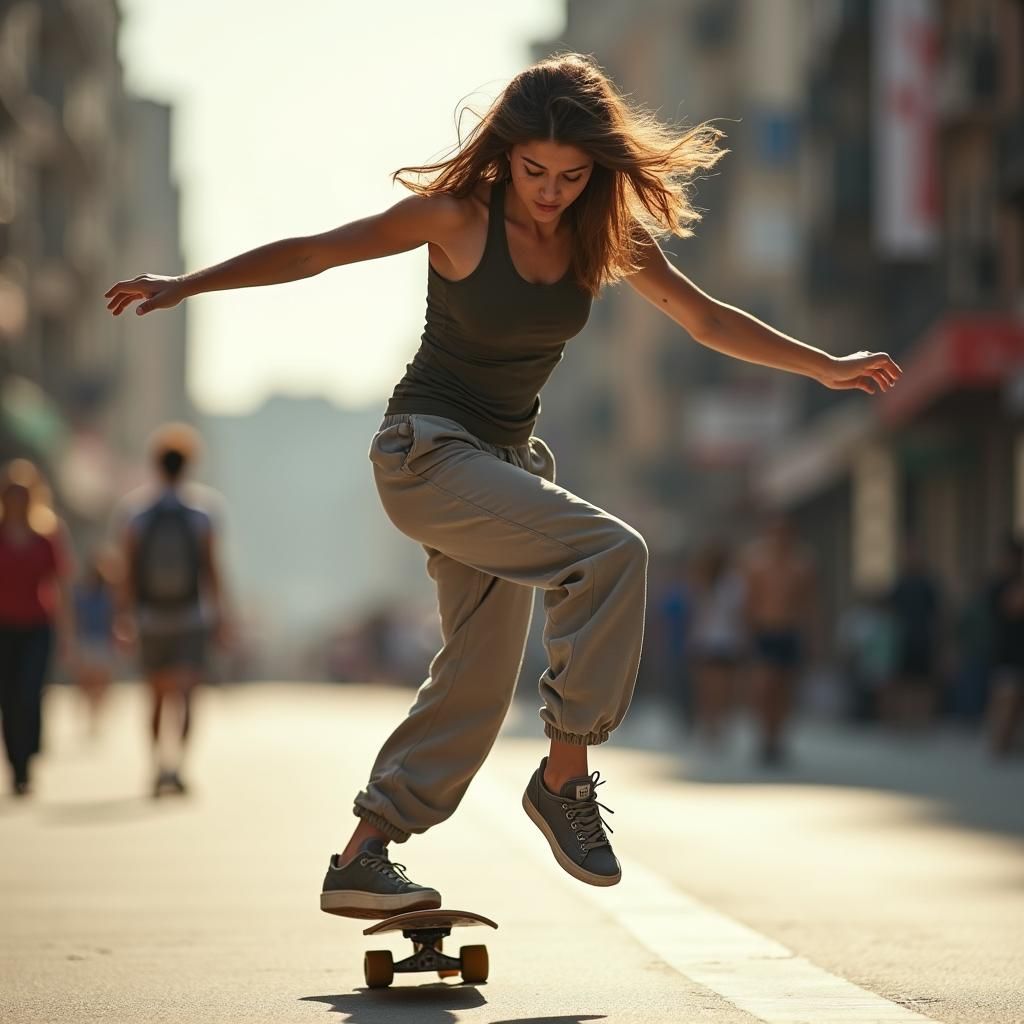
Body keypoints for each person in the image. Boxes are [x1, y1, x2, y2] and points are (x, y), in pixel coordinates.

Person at [104, 53, 902, 914]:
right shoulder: (455, 217)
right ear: (504, 155)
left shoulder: (607, 236)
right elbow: (319, 253)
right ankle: (564, 778)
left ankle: (363, 855)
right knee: (612, 551)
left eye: (569, 175)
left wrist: (822, 365)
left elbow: (704, 318)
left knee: (479, 680)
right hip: (425, 454)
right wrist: (188, 284)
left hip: (503, 468)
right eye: (532, 172)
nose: (550, 192)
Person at [113, 425, 230, 797]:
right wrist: (222, 615)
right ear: (190, 464)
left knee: (156, 695)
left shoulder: (135, 512)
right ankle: (178, 765)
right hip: (190, 617)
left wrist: (124, 616)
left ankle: (156, 766)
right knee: (186, 694)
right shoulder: (203, 511)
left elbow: (127, 570)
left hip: (150, 618)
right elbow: (211, 568)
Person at [0, 460, 75, 796]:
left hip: (36, 626)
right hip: (3, 627)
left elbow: (60, 587)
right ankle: (15, 763)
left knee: (30, 692)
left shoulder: (47, 536)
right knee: (8, 697)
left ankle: (29, 756)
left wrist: (68, 636)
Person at [741, 514, 818, 765]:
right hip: (765, 631)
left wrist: (812, 635)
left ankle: (778, 737)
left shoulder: (802, 563)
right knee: (764, 686)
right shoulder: (756, 561)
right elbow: (749, 601)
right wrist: (747, 633)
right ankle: (765, 736)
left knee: (785, 688)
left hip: (790, 631)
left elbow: (809, 603)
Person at [688, 541, 746, 746]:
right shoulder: (703, 582)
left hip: (726, 641)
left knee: (724, 687)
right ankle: (709, 725)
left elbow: (739, 613)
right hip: (706, 641)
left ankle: (720, 725)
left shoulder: (733, 583)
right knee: (707, 687)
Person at [72, 548, 120, 738]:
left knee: (101, 684)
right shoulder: (80, 591)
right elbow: (75, 616)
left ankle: (96, 717)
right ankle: (90, 714)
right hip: (86, 640)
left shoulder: (110, 592)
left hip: (103, 641)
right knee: (87, 683)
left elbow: (115, 618)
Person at [986, 536, 1024, 756]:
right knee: (1005, 697)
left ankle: (1010, 743)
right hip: (1007, 652)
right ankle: (999, 744)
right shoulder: (999, 584)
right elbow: (1014, 606)